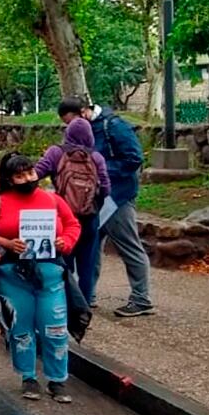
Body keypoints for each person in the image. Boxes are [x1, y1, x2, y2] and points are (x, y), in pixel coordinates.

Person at [0, 152, 82, 404]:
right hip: (12, 276)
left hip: (50, 275)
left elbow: (73, 224)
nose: (28, 178)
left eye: (30, 172)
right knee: (21, 329)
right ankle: (28, 377)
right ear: (9, 179)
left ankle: (57, 379)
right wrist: (6, 243)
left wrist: (65, 242)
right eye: (20, 176)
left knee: (55, 329)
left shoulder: (53, 199)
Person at [58, 98, 153, 317]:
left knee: (129, 246)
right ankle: (86, 295)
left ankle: (141, 298)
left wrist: (97, 171)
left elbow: (134, 158)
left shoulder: (114, 126)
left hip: (117, 197)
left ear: (84, 111)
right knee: (91, 249)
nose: (71, 127)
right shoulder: (84, 130)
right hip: (92, 201)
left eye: (72, 121)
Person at [35, 116, 110, 304]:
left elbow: (35, 174)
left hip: (63, 218)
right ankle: (83, 306)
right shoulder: (96, 157)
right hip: (89, 218)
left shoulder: (56, 153)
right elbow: (106, 189)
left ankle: (65, 304)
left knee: (63, 263)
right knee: (87, 265)